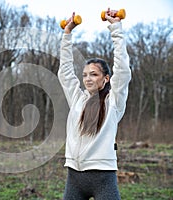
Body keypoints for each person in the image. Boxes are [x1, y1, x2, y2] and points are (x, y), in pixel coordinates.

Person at [58, 9, 131, 200]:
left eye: (94, 74)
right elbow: (65, 72)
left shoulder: (113, 101)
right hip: (74, 176)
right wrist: (67, 33)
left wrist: (115, 27)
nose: (88, 79)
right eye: (85, 75)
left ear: (106, 78)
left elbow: (122, 69)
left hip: (103, 177)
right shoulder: (77, 98)